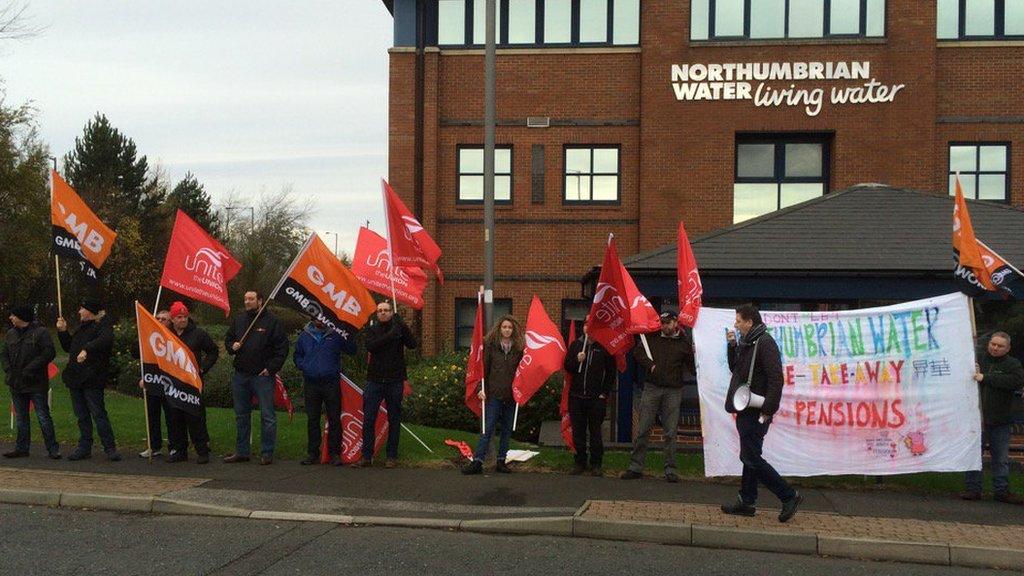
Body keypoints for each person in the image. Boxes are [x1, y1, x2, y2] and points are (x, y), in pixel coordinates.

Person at [721, 304, 802, 523]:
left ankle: (788, 495)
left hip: (758, 411)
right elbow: (736, 369)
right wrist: (732, 346)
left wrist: (768, 409)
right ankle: (747, 502)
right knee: (749, 456)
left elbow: (776, 379)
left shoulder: (765, 343)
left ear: (749, 322)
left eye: (738, 320)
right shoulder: (748, 343)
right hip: (746, 408)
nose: (736, 324)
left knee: (751, 457)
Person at [621, 312, 694, 483]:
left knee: (670, 431)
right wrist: (650, 365)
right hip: (652, 387)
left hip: (673, 390)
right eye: (662, 323)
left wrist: (694, 354)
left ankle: (670, 469)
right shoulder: (651, 338)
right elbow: (637, 353)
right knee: (643, 428)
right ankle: (635, 466)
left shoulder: (684, 343)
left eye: (668, 323)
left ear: (676, 323)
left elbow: (692, 368)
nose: (664, 326)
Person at [222, 290, 288, 465]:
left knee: (267, 415)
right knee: (241, 415)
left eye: (251, 299)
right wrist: (231, 346)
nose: (247, 302)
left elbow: (282, 349)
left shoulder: (272, 321)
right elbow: (228, 340)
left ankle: (267, 453)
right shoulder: (240, 319)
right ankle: (242, 451)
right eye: (245, 299)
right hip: (241, 375)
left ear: (260, 301)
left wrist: (271, 369)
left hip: (262, 377)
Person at [961, 332, 1024, 504]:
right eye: (993, 344)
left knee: (1000, 458)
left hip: (1000, 419)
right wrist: (972, 372)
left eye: (1000, 346)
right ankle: (973, 489)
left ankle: (1001, 491)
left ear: (1007, 348)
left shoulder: (1013, 364)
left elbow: (1015, 381)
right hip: (976, 417)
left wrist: (986, 378)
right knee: (974, 455)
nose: (995, 348)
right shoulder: (978, 359)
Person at [56, 297, 120, 461]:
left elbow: (105, 341)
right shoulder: (81, 328)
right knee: (81, 415)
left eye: (82, 308)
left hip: (92, 378)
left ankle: (110, 447)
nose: (79, 311)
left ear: (90, 311)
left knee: (98, 413)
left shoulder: (102, 327)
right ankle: (84, 446)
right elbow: (69, 347)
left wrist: (86, 349)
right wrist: (63, 332)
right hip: (76, 377)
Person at [354, 301, 417, 468]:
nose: (383, 313)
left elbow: (412, 344)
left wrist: (402, 327)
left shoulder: (399, 328)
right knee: (369, 418)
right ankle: (367, 455)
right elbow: (372, 346)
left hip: (395, 380)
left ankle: (391, 456)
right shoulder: (372, 330)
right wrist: (391, 335)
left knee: (394, 419)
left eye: (386, 310)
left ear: (391, 312)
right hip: (374, 380)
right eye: (380, 311)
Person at [462, 315, 524, 475]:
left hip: (511, 396)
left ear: (513, 330)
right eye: (504, 327)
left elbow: (522, 373)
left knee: (506, 430)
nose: (507, 330)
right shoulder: (490, 346)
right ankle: (478, 461)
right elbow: (484, 370)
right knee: (487, 429)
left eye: (510, 327)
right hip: (493, 395)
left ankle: (501, 461)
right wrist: (480, 389)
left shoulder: (519, 349)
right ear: (499, 328)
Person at [294, 318, 356, 466]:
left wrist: (349, 333)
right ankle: (312, 453)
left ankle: (334, 453)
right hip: (311, 382)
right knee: (312, 419)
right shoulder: (305, 335)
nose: (319, 320)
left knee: (334, 418)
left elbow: (352, 350)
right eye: (316, 317)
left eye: (322, 318)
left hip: (331, 382)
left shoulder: (335, 334)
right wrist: (305, 366)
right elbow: (297, 356)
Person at [2, 304, 59, 459]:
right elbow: (4, 354)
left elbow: (48, 353)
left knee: (43, 415)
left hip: (36, 382)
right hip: (16, 382)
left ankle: (53, 448)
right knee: (21, 417)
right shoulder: (10, 334)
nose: (11, 318)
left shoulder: (41, 333)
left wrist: (30, 369)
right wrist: (9, 370)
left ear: (21, 317)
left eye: (13, 315)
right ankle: (21, 447)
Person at [165, 302, 218, 464]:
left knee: (195, 417)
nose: (182, 320)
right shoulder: (166, 334)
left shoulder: (198, 334)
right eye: (179, 317)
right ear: (172, 319)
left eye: (185, 317)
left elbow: (213, 351)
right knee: (175, 418)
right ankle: (179, 451)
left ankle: (202, 450)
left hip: (192, 384)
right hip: (173, 383)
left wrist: (203, 368)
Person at [563, 319, 616, 476]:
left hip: (595, 398)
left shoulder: (603, 347)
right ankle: (580, 461)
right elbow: (568, 366)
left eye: (591, 325)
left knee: (595, 432)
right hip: (577, 396)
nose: (588, 328)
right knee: (578, 431)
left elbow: (611, 373)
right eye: (586, 325)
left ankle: (596, 463)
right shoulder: (576, 345)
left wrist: (604, 394)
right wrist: (576, 360)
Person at [138, 309, 175, 459]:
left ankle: (174, 446)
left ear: (170, 322)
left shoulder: (172, 338)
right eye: (157, 318)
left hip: (168, 383)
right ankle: (154, 446)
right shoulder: (149, 336)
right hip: (152, 382)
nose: (160, 321)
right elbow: (140, 356)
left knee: (172, 417)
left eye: (164, 319)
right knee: (152, 416)